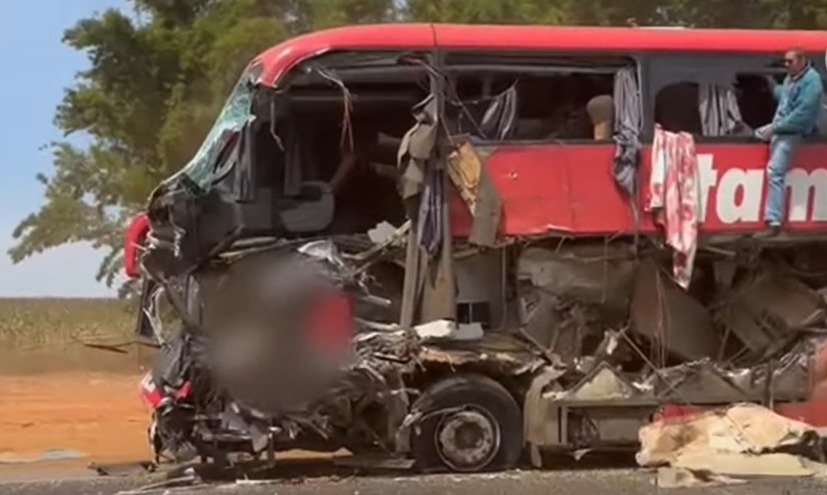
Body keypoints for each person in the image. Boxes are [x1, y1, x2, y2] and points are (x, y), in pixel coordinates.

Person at [754, 48, 824, 236]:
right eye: (784, 62)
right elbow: (785, 99)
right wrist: (769, 85)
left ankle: (774, 220)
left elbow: (802, 116)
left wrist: (774, 128)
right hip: (781, 129)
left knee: (775, 171)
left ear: (802, 60)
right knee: (771, 166)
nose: (786, 65)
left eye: (790, 61)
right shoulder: (791, 78)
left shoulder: (812, 82)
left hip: (792, 133)